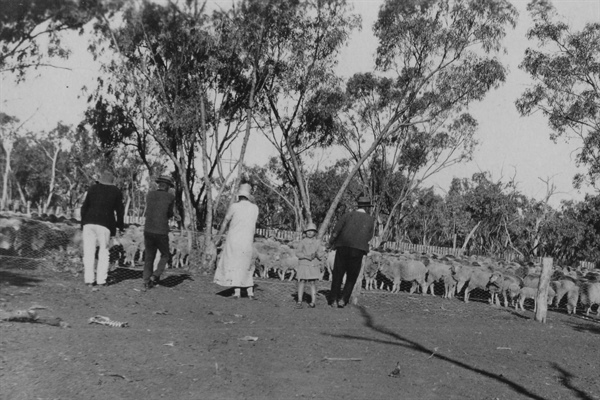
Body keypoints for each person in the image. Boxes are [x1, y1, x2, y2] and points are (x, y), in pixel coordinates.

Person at [328, 195, 375, 308]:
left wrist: (331, 243)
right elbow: (369, 236)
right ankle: (343, 299)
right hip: (358, 250)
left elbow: (336, 230)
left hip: (343, 247)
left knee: (338, 273)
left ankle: (333, 299)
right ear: (367, 207)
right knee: (352, 276)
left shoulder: (347, 215)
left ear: (358, 205)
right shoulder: (370, 219)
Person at [214, 183, 259, 299]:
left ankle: (237, 291)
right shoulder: (255, 208)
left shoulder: (234, 206)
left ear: (239, 196)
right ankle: (250, 292)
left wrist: (219, 236)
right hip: (247, 241)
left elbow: (225, 221)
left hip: (234, 240)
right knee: (246, 264)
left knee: (234, 263)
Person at [80, 171, 125, 287]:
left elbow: (84, 207)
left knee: (88, 252)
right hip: (105, 224)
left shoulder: (92, 188)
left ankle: (89, 280)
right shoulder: (116, 191)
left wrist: (83, 223)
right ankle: (101, 280)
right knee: (104, 252)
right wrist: (120, 225)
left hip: (88, 223)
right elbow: (120, 210)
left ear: (100, 180)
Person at [143, 175, 180, 291]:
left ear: (159, 184)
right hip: (161, 230)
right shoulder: (170, 197)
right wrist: (174, 215)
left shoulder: (149, 194)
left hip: (148, 229)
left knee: (149, 256)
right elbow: (169, 213)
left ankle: (145, 280)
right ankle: (155, 275)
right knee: (165, 255)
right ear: (168, 186)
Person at [295, 222, 326, 308]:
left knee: (312, 282)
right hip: (304, 264)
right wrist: (306, 256)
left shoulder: (317, 242)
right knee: (301, 281)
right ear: (305, 232)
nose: (309, 233)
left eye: (312, 231)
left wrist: (317, 254)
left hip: (313, 265)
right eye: (308, 231)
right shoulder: (302, 242)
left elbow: (321, 253)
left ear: (315, 233)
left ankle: (313, 301)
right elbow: (297, 253)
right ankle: (299, 301)